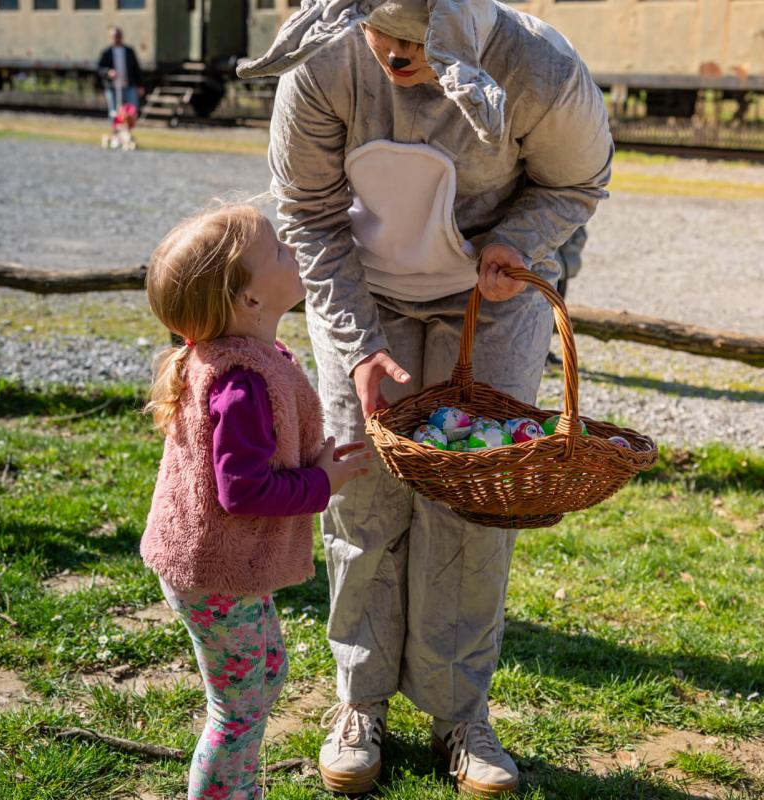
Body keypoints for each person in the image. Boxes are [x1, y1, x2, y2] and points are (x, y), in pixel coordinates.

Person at [238, 0, 613, 795]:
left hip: (489, 296)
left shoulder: (539, 67)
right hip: (363, 294)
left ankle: (460, 714)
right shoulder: (324, 63)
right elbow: (306, 211)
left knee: (473, 497)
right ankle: (359, 700)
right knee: (361, 489)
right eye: (384, 31)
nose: (397, 53)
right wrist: (356, 341)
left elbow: (577, 181)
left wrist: (516, 246)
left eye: (419, 39)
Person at [139, 204, 372, 800]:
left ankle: (241, 786)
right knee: (236, 712)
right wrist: (323, 483)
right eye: (277, 250)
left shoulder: (241, 358)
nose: (290, 248)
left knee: (265, 675)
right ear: (247, 302)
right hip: (213, 572)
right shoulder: (239, 384)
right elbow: (242, 491)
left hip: (227, 567)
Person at [98, 26, 144, 119]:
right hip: (113, 87)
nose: (116, 38)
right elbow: (100, 69)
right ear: (110, 37)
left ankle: (128, 131)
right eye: (114, 36)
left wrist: (140, 85)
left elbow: (136, 69)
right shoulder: (106, 52)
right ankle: (115, 132)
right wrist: (108, 72)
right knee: (114, 113)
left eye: (118, 36)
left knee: (131, 111)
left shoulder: (129, 51)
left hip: (129, 86)